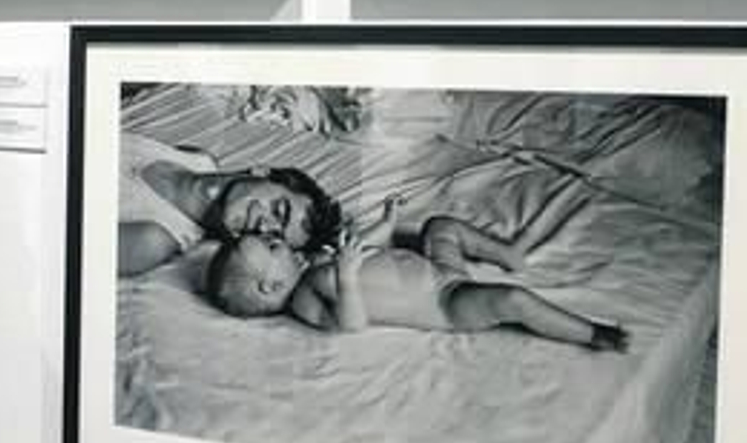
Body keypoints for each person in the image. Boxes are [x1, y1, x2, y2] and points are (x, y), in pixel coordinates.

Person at [206, 185, 629, 352]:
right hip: (446, 302)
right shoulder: (303, 297)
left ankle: (509, 253)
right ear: (269, 287)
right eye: (272, 245)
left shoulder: (313, 263)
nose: (275, 236)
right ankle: (594, 334)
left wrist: (386, 223)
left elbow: (366, 246)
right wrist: (349, 277)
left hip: (436, 267)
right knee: (511, 300)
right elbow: (349, 325)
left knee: (438, 226)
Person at [117, 129, 341, 276]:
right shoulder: (199, 157)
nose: (263, 227)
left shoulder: (153, 241)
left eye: (272, 237)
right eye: (278, 211)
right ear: (261, 172)